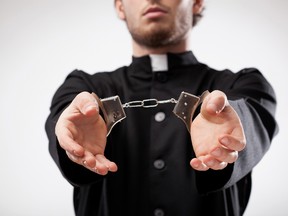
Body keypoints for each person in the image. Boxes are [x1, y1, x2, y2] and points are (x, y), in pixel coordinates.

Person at [45, 0, 278, 215]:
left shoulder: (243, 85)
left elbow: (253, 117)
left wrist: (233, 123)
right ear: (120, 7)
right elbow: (64, 115)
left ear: (196, 3)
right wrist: (71, 140)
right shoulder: (83, 87)